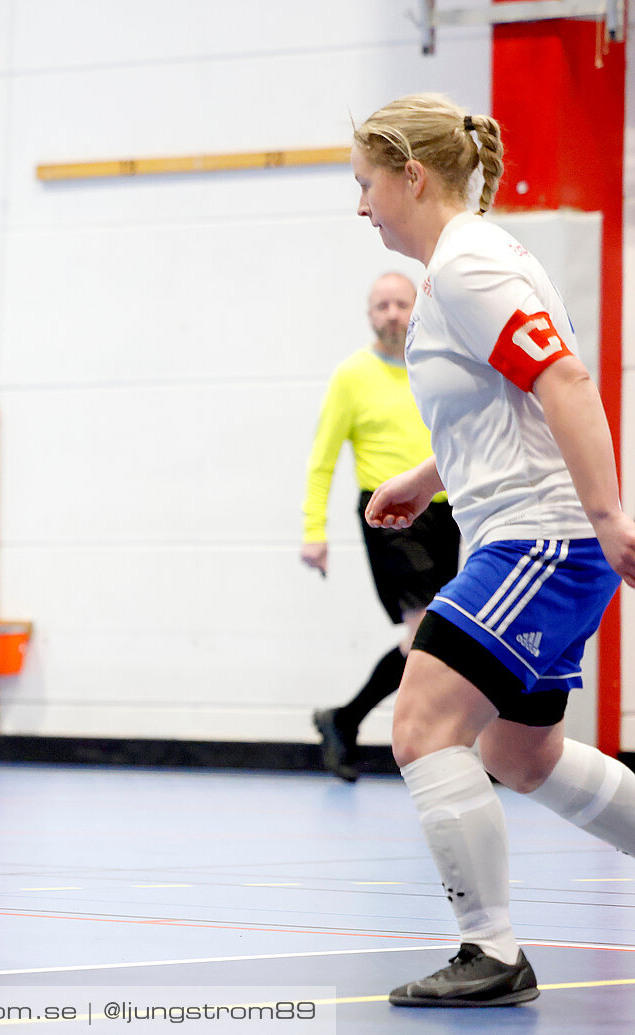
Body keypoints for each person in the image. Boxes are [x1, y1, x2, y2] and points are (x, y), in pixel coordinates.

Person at [353, 93, 635, 1007]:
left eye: (365, 184)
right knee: (523, 756)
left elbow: (564, 378)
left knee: (420, 724)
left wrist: (607, 515)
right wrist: (424, 478)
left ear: (412, 175)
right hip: (537, 535)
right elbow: (505, 398)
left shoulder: (470, 263)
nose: (361, 207)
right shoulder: (470, 261)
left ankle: (492, 951)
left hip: (538, 540)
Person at [302, 273, 461, 781]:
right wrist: (314, 530)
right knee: (422, 633)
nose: (392, 313)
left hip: (443, 514)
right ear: (370, 315)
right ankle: (435, 749)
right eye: (382, 305)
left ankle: (343, 719)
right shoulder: (352, 375)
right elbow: (322, 460)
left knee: (435, 636)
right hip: (389, 513)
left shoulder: (436, 367)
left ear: (416, 309)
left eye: (401, 304)